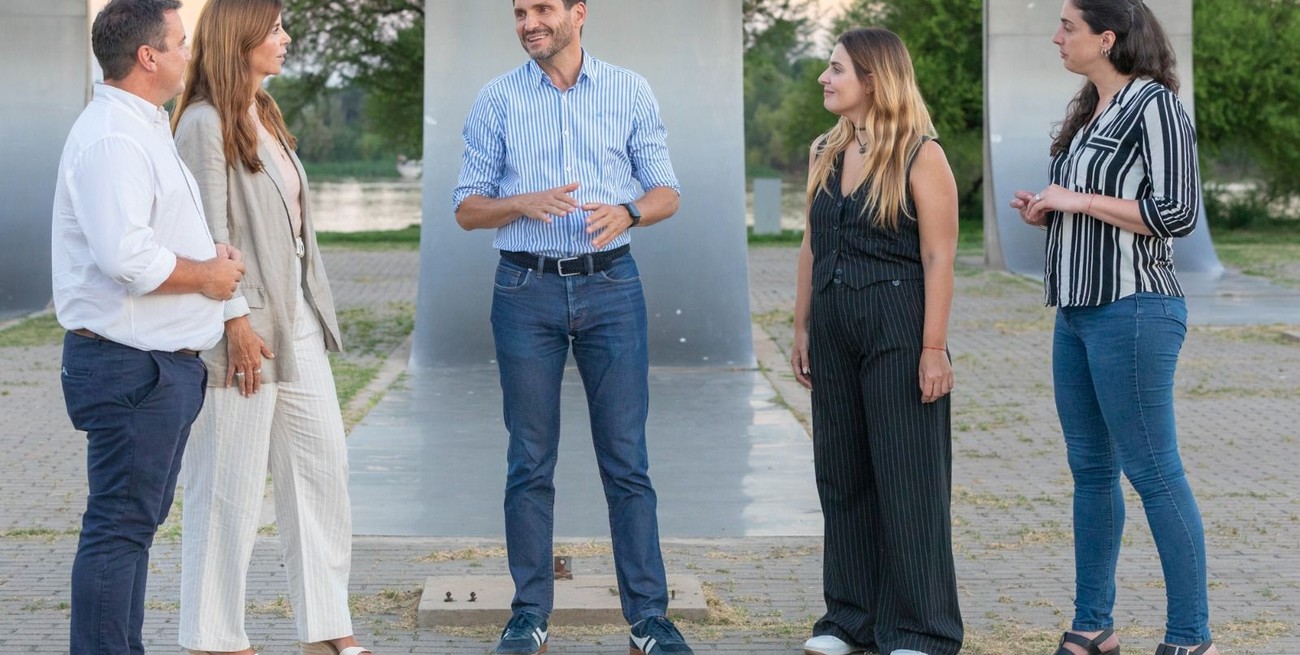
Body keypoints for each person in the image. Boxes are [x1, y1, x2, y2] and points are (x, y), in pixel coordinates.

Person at [452, 1, 692, 653]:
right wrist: (520, 203)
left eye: (542, 9)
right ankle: (529, 614)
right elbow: (467, 208)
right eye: (519, 12)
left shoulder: (629, 89)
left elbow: (666, 190)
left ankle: (649, 618)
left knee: (627, 459)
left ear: (578, 13)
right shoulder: (497, 99)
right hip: (523, 290)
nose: (528, 22)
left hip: (612, 286)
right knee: (529, 459)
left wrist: (630, 212)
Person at [1009, 2, 1217, 654]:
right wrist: (1050, 210)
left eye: (1068, 26)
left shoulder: (1155, 105)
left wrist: (1078, 199)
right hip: (1076, 312)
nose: (1056, 37)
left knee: (1154, 474)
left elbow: (1177, 211)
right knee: (1092, 474)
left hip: (1134, 309)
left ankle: (1191, 638)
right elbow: (1101, 206)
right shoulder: (1089, 112)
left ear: (1108, 37)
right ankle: (1093, 626)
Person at [170, 1, 368, 654]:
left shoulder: (264, 112)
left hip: (298, 322)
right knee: (227, 485)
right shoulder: (203, 121)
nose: (286, 37)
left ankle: (326, 628)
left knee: (321, 470)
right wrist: (235, 322)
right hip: (242, 330)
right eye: (275, 27)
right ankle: (214, 637)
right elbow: (206, 235)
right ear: (242, 36)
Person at [52, 0, 246, 653]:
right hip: (132, 367)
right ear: (148, 55)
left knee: (130, 530)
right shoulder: (113, 137)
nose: (188, 54)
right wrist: (208, 276)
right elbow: (126, 259)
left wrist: (209, 261)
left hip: (154, 368)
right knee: (118, 530)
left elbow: (147, 237)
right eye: (180, 42)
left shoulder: (143, 126)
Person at [789, 28, 963, 655]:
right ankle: (849, 620)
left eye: (836, 69)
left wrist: (933, 348)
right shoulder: (825, 150)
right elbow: (811, 244)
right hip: (833, 323)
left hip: (898, 321)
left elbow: (939, 256)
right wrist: (802, 326)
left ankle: (921, 629)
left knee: (908, 479)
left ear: (873, 79)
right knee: (841, 475)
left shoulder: (920, 153)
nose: (825, 78)